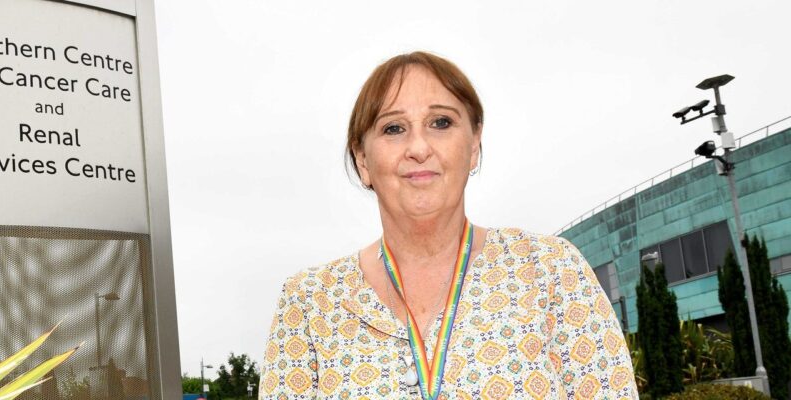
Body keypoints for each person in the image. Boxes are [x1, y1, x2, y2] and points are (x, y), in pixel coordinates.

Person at [259, 51, 636, 399]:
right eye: (393, 128)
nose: (419, 147)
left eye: (441, 122)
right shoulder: (309, 302)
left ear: (473, 144)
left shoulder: (550, 271)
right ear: (362, 159)